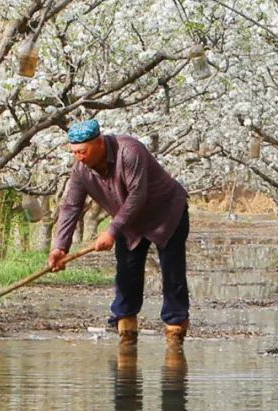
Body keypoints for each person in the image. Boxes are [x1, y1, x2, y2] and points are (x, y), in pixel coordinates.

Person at [49, 117, 190, 349]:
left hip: (166, 213)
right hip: (129, 222)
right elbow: (71, 206)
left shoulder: (130, 151)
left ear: (100, 143)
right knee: (126, 272)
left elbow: (137, 196)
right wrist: (60, 247)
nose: (78, 157)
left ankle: (175, 330)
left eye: (82, 152)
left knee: (172, 272)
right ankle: (126, 328)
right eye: (74, 153)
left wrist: (112, 231)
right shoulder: (81, 170)